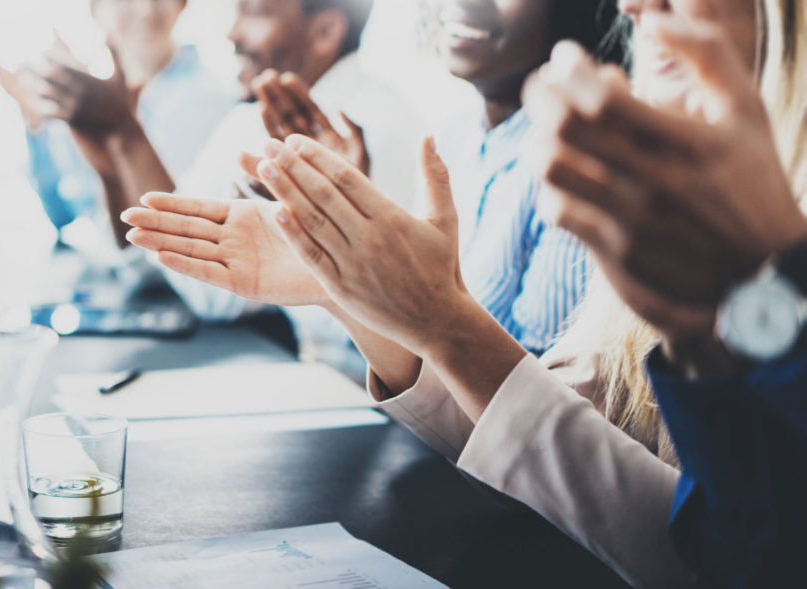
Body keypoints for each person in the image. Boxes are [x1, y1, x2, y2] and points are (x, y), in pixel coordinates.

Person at [121, 1, 806, 587]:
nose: (633, 4)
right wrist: (348, 290)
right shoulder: (467, 140)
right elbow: (549, 425)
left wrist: (442, 322)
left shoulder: (619, 167)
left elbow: (703, 555)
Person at [127, 0, 623, 374]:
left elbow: (538, 409)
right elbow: (416, 356)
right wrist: (341, 237)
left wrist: (345, 243)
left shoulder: (586, 167)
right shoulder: (454, 134)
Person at [524, 2, 807, 585]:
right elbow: (745, 554)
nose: (631, 5)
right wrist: (703, 342)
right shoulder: (671, 205)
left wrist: (772, 277)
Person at [0, 0, 234, 238]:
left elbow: (169, 249)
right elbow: (64, 215)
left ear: (182, 5)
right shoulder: (101, 103)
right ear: (95, 10)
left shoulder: (204, 103)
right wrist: (36, 121)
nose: (145, 10)